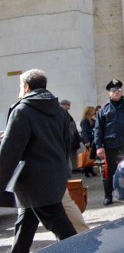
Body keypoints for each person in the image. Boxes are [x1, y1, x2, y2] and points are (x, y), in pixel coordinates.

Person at [0, 69, 77, 252]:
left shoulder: (22, 110)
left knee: (66, 234)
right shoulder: (60, 111)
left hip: (33, 183)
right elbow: (66, 144)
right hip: (54, 178)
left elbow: (10, 152)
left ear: (26, 87)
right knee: (25, 224)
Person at [94, 79, 124, 206]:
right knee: (109, 171)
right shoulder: (104, 109)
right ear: (109, 93)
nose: (117, 93)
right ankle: (108, 196)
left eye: (119, 90)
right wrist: (99, 146)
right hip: (111, 144)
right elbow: (98, 129)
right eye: (114, 91)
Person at [59, 99, 81, 171]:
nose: (69, 107)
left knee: (73, 153)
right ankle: (72, 168)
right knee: (69, 154)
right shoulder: (61, 113)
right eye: (68, 105)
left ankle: (74, 167)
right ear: (64, 105)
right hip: (69, 137)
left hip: (72, 137)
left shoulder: (64, 113)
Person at [79, 106, 97, 177]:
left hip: (91, 139)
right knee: (89, 155)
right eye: (93, 111)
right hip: (88, 140)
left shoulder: (91, 119)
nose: (94, 112)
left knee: (91, 155)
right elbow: (84, 132)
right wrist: (86, 141)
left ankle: (89, 170)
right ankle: (87, 170)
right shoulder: (85, 121)